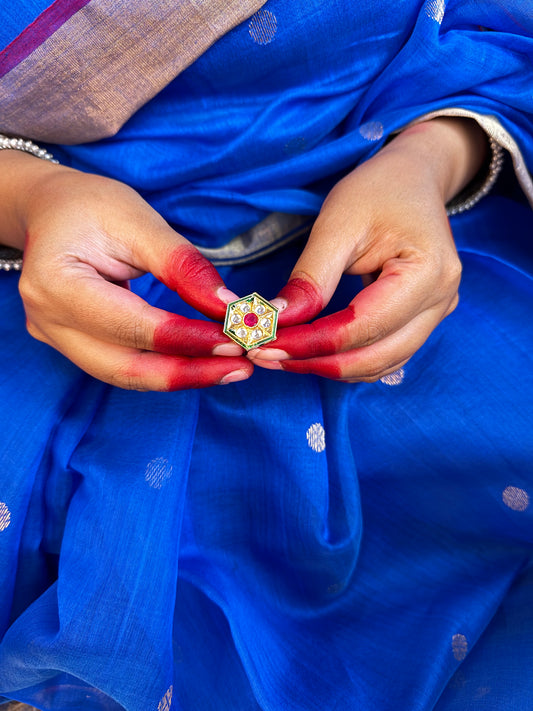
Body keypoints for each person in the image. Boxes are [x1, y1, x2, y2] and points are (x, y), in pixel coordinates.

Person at [0, 1, 532, 709]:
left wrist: (430, 158)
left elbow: (492, 26)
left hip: (428, 270)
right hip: (50, 312)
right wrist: (27, 195)